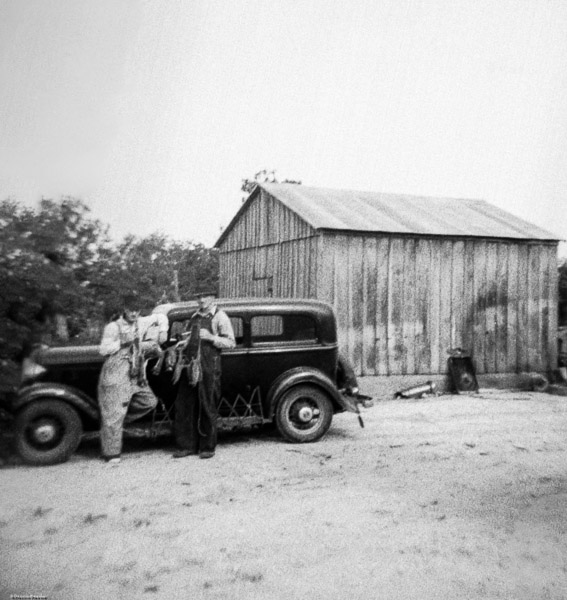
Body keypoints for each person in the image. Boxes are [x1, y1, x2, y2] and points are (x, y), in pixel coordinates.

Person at [98, 294, 168, 464]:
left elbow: (160, 316)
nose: (134, 314)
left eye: (137, 310)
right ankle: (111, 454)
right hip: (117, 369)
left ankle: (114, 424)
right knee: (114, 413)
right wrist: (123, 344)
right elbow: (103, 349)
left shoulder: (141, 322)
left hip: (135, 371)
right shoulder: (113, 327)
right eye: (130, 310)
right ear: (124, 310)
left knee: (149, 401)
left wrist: (163, 331)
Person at [173, 290, 235, 459]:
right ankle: (186, 446)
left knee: (207, 405)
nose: (201, 300)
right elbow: (190, 339)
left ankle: (207, 447)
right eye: (198, 297)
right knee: (185, 405)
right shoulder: (194, 317)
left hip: (209, 366)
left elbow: (231, 342)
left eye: (204, 296)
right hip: (190, 365)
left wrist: (210, 337)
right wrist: (183, 343)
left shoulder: (220, 317)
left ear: (212, 298)